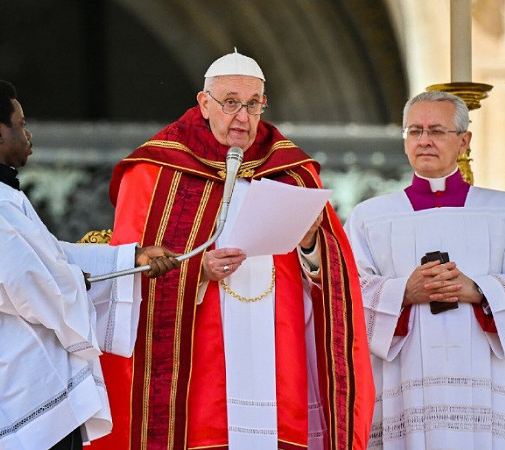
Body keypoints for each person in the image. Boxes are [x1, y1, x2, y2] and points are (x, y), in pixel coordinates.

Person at [90, 50, 375, 449]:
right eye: (230, 103)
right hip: (199, 375)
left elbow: (335, 281)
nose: (243, 116)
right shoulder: (156, 171)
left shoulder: (293, 171)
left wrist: (311, 243)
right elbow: (126, 272)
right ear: (204, 104)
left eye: (253, 104)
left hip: (279, 355)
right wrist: (196, 271)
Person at [0, 77, 180, 450]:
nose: (28, 134)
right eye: (21, 124)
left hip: (19, 391)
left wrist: (132, 257)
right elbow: (29, 283)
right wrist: (72, 281)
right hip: (22, 399)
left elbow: (50, 256)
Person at [344, 91, 505, 449]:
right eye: (414, 131)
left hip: (481, 383)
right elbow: (346, 292)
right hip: (404, 383)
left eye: (436, 130)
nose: (424, 140)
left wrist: (478, 290)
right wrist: (403, 293)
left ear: (464, 141)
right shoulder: (370, 217)